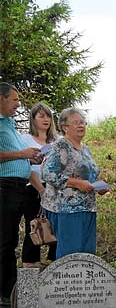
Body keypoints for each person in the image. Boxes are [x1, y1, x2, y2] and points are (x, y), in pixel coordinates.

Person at [42, 108, 108, 259]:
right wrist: (76, 183)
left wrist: (98, 186)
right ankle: (64, 283)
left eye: (83, 122)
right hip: (67, 209)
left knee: (87, 254)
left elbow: (89, 175)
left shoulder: (85, 149)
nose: (81, 126)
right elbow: (48, 173)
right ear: (65, 127)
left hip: (88, 207)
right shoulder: (60, 146)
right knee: (70, 255)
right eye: (76, 123)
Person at [0, 82, 43, 307]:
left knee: (10, 240)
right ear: (1, 98)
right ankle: (4, 292)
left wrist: (30, 159)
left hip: (18, 187)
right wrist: (21, 153)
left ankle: (10, 289)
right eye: (15, 99)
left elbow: (17, 156)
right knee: (4, 240)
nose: (18, 104)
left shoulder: (9, 125)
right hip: (4, 186)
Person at [20, 103, 59, 267]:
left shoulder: (58, 140)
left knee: (57, 224)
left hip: (56, 187)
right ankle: (30, 264)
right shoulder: (25, 139)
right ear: (33, 119)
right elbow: (25, 166)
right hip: (34, 186)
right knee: (35, 223)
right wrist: (41, 190)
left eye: (48, 115)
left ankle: (55, 261)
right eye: (41, 116)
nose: (46, 119)